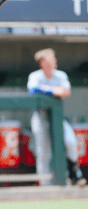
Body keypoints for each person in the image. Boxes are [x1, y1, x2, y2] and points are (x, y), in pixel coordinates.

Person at [27, 48, 87, 187]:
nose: (55, 61)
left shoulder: (60, 75)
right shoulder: (35, 76)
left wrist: (48, 90)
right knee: (43, 152)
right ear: (42, 62)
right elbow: (32, 89)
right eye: (51, 59)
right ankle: (45, 185)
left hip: (57, 117)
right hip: (40, 117)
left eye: (54, 58)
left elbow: (66, 91)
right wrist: (53, 90)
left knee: (71, 142)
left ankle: (74, 175)